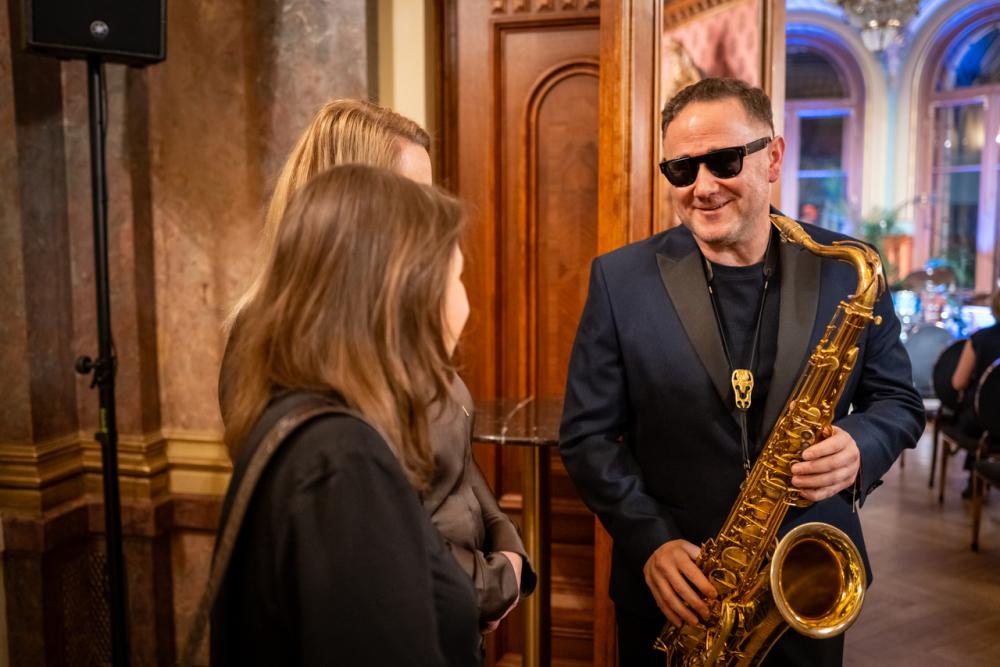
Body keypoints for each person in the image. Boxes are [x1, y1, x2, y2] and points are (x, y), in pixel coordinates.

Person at [559, 78, 925, 666]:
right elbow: (587, 437)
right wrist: (650, 541)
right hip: (677, 594)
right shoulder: (619, 280)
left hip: (807, 580)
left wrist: (860, 446)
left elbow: (899, 402)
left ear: (772, 158)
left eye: (724, 161)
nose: (702, 187)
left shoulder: (849, 270)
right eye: (681, 169)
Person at [219, 99, 534, 630]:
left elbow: (455, 460)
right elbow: (374, 524)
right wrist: (487, 587)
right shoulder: (281, 346)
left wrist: (509, 550)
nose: (430, 220)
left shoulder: (392, 325)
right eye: (414, 197)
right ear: (355, 205)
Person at [212, 165, 482, 664]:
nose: (466, 304)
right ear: (403, 297)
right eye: (457, 278)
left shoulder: (306, 424)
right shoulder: (344, 462)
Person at [951, 288, 1000, 493]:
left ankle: (975, 479)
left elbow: (958, 383)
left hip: (982, 425)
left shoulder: (979, 338)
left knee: (978, 413)